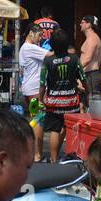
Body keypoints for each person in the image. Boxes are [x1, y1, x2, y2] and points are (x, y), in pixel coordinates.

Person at [39, 30, 84, 162]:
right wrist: (88, 91)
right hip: (71, 101)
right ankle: (61, 155)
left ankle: (53, 159)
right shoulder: (74, 58)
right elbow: (83, 77)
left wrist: (41, 99)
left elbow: (42, 82)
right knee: (65, 127)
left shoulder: (47, 61)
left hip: (53, 101)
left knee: (54, 129)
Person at [17, 25, 50, 161]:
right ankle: (37, 154)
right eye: (40, 35)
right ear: (31, 33)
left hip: (29, 89)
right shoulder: (30, 48)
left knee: (35, 119)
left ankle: (33, 152)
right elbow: (50, 55)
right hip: (35, 91)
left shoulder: (24, 48)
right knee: (38, 120)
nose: (41, 38)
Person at [78, 15, 101, 99]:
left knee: (92, 105)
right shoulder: (91, 38)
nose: (80, 24)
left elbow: (87, 58)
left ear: (89, 25)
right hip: (89, 75)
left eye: (82, 22)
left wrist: (74, 69)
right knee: (86, 104)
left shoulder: (92, 38)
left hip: (91, 75)